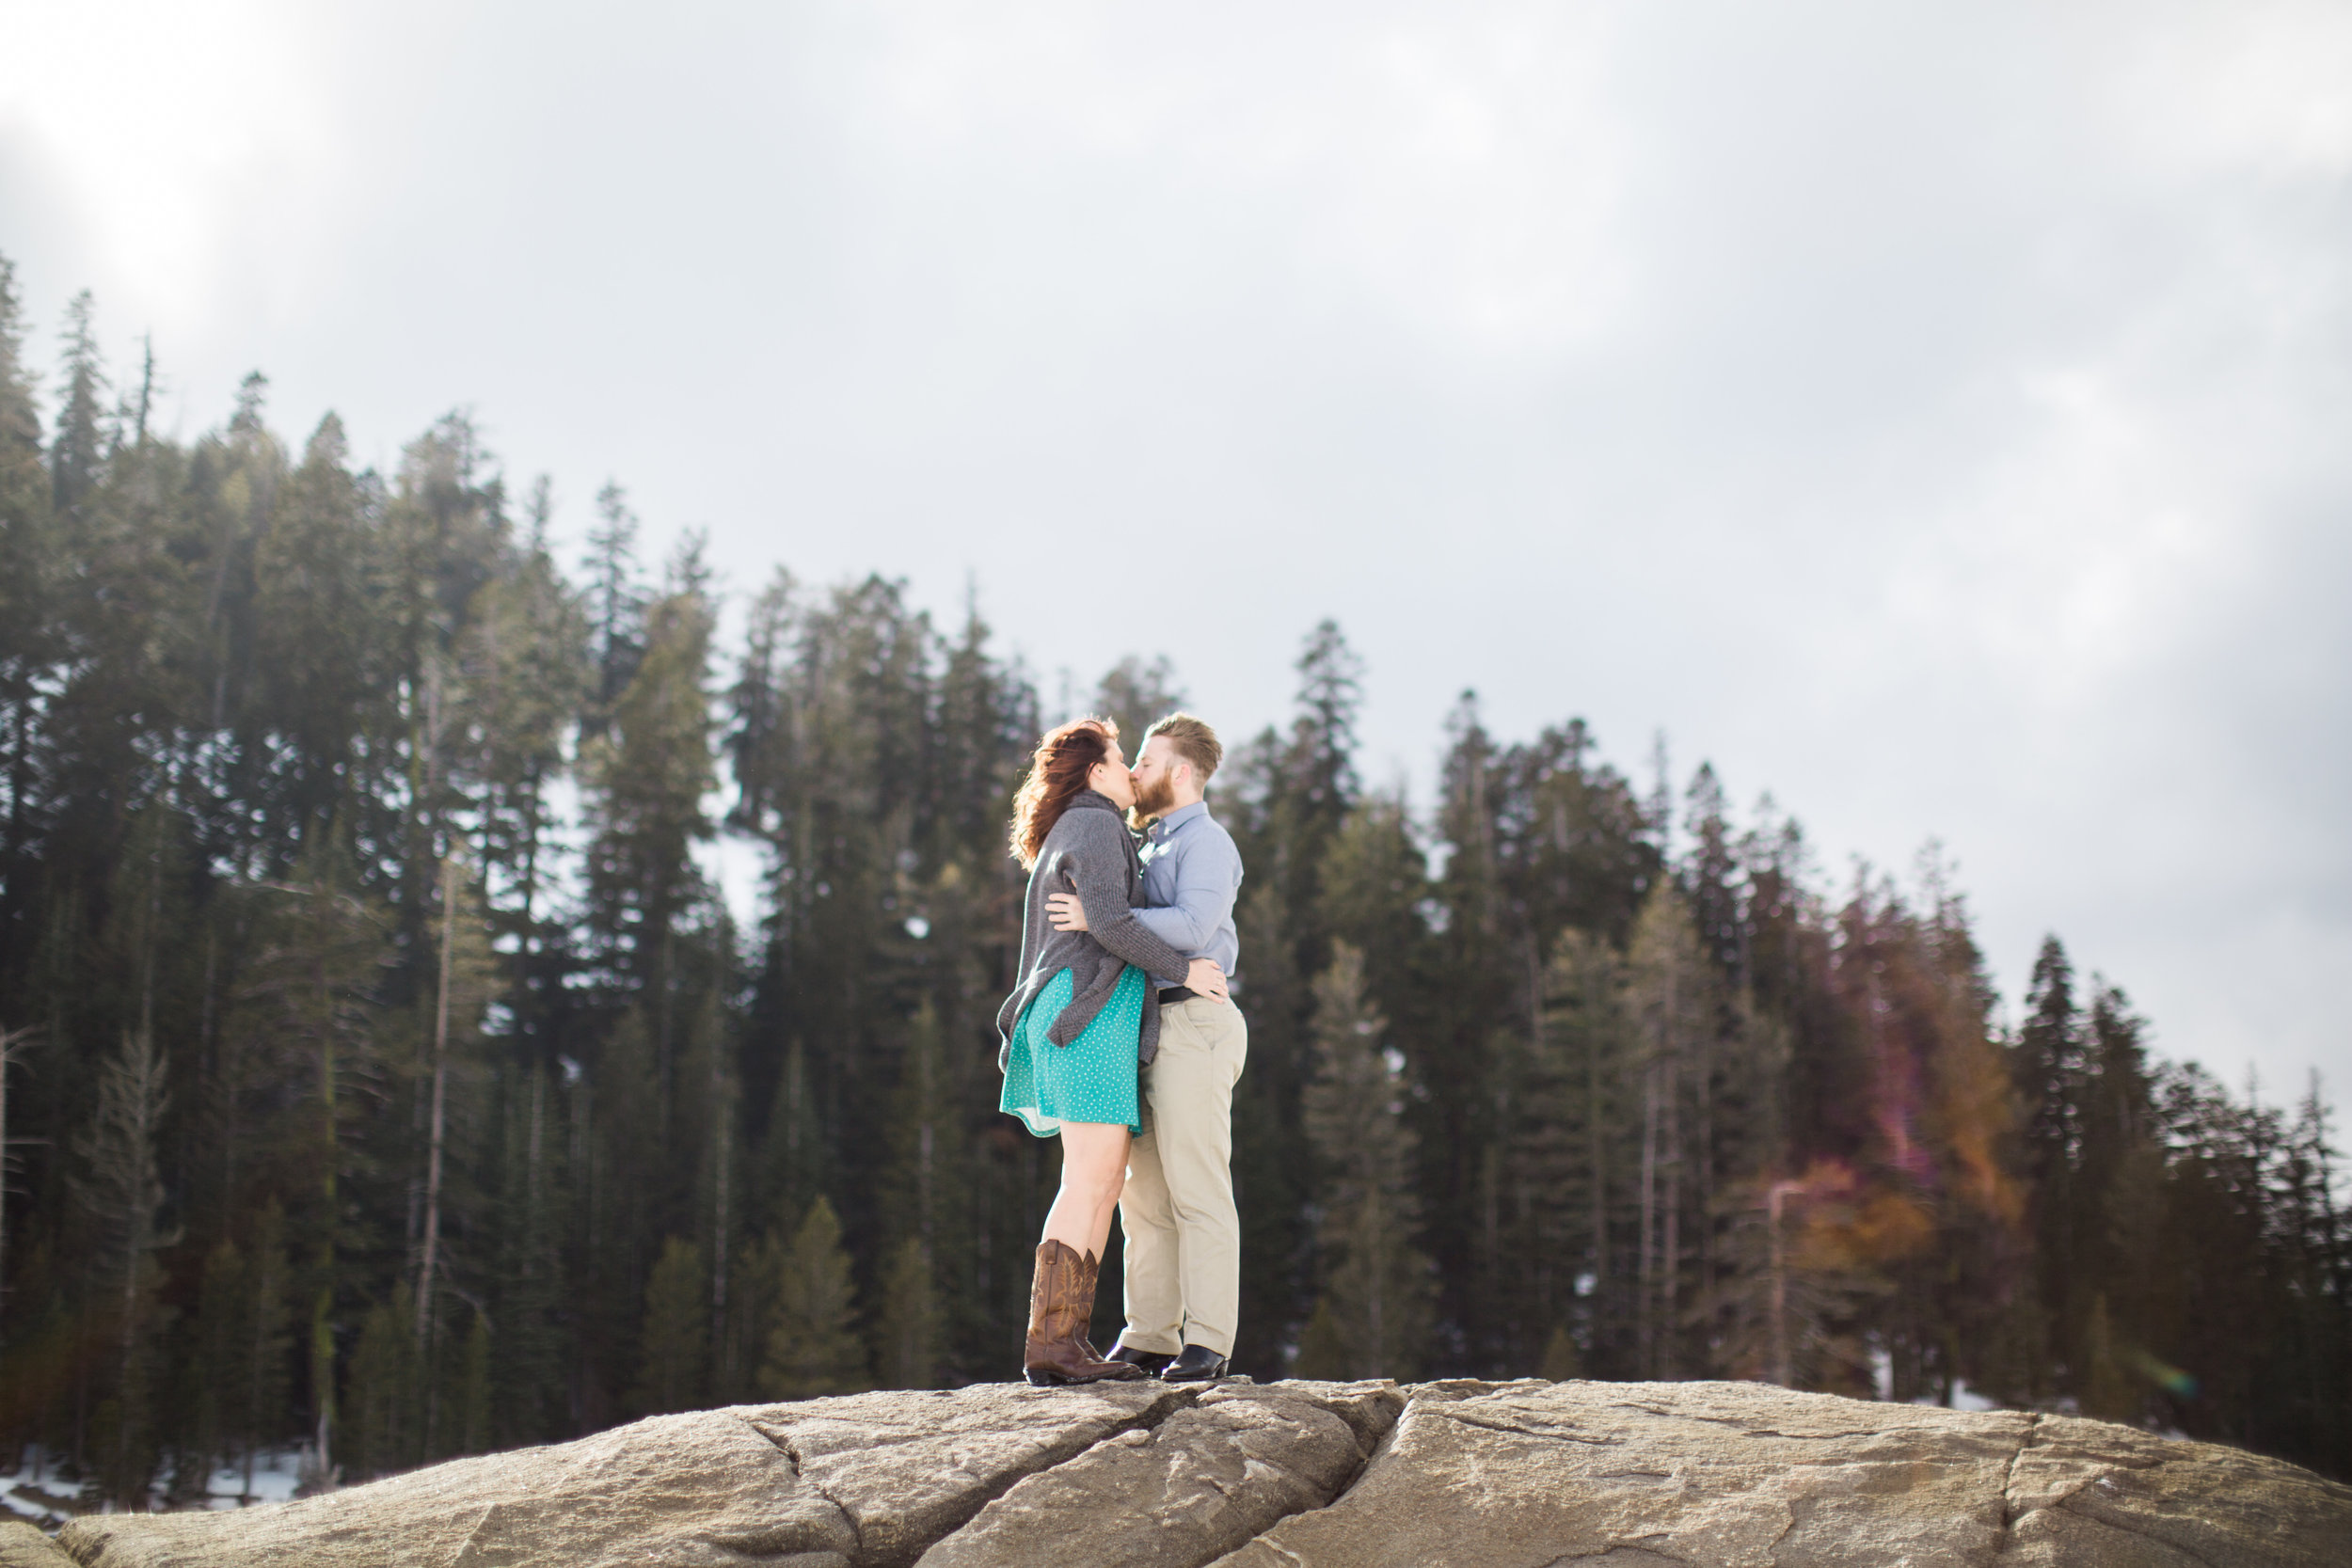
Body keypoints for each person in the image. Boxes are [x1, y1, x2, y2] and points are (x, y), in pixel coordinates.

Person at [997, 716, 1231, 1386]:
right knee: (1093, 1179)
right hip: (1087, 1014)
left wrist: (1104, 919)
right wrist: (1185, 970)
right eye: (1121, 756)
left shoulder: (1086, 822)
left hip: (1079, 1011)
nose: (1131, 769)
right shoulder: (1097, 823)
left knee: (1098, 1180)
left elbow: (1106, 916)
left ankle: (1062, 1341)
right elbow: (1114, 920)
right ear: (1096, 771)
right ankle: (1054, 1343)